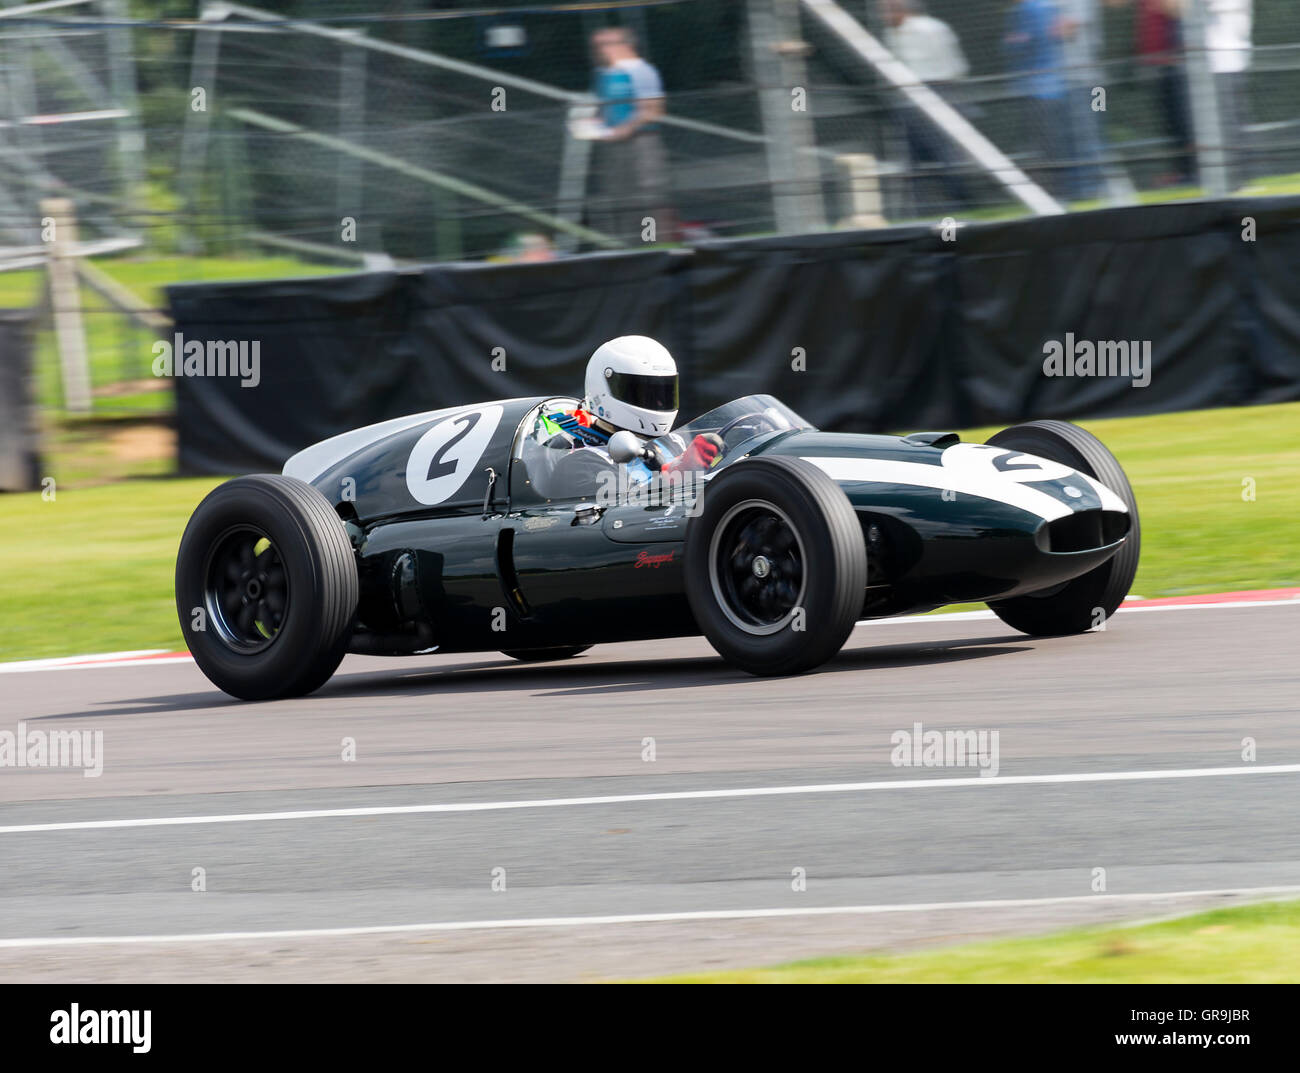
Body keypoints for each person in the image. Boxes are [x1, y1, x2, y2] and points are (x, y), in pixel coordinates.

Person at [536, 336, 721, 500]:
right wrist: (670, 476)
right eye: (644, 394)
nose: (657, 403)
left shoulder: (672, 442)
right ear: (604, 387)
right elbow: (620, 522)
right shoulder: (581, 463)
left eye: (663, 393)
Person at [878, 0, 972, 209]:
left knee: (945, 153)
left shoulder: (931, 29)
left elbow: (954, 66)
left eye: (887, 10)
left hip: (937, 91)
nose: (883, 16)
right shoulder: (891, 33)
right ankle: (920, 207)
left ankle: (962, 202)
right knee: (911, 156)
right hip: (907, 99)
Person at [590, 27, 674, 243]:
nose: (599, 49)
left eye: (605, 44)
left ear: (625, 45)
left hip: (642, 144)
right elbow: (604, 109)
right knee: (621, 197)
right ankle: (630, 246)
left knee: (649, 197)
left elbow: (654, 111)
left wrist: (625, 129)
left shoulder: (642, 71)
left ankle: (656, 244)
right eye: (597, 45)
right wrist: (593, 123)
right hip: (614, 148)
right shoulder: (605, 74)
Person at [1006, 0, 1081, 201]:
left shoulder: (1029, 7)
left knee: (1045, 146)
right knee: (1059, 142)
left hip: (1042, 88)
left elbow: (1027, 42)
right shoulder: (1048, 6)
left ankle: (1056, 193)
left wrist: (1011, 42)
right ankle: (1068, 190)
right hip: (1059, 85)